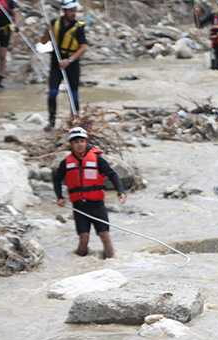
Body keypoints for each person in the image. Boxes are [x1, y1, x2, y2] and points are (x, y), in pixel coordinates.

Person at [53, 127, 126, 258]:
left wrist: (120, 191)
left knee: (105, 236)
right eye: (76, 142)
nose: (79, 144)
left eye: (82, 141)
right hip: (79, 207)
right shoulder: (66, 162)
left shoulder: (97, 159)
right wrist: (59, 197)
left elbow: (112, 174)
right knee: (84, 237)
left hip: (97, 205)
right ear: (71, 145)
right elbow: (56, 178)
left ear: (86, 142)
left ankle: (111, 262)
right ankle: (80, 263)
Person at [40, 0, 88, 130]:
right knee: (52, 93)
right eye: (71, 11)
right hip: (56, 63)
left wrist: (70, 60)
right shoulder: (54, 23)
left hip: (72, 64)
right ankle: (51, 121)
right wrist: (47, 31)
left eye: (75, 10)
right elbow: (43, 41)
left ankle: (75, 119)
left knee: (73, 95)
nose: (74, 13)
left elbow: (83, 48)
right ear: (64, 11)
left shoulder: (78, 27)